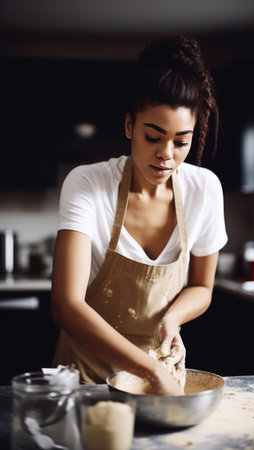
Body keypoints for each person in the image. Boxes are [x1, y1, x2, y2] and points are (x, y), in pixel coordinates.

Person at [51, 35, 227, 395]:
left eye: (181, 142)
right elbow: (67, 305)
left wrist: (172, 320)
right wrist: (152, 370)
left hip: (150, 387)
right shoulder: (87, 184)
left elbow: (201, 287)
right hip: (83, 383)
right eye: (153, 136)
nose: (166, 154)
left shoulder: (204, 190)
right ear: (130, 126)